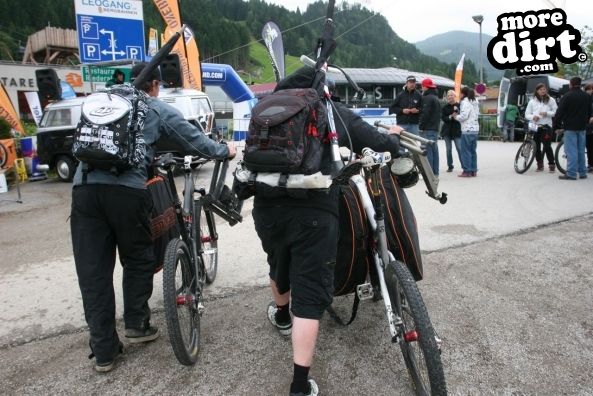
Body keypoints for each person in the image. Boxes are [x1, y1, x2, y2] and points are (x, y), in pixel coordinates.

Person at [70, 63, 236, 373]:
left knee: (93, 271)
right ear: (155, 84)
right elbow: (192, 139)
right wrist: (223, 150)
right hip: (127, 193)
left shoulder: (105, 100)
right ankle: (137, 324)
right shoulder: (152, 107)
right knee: (138, 258)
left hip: (84, 189)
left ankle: (104, 350)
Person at [254, 66, 402, 396]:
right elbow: (374, 140)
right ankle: (298, 385)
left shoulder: (268, 108)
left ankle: (280, 315)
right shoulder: (330, 108)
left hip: (266, 206)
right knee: (308, 295)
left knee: (278, 262)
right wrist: (393, 139)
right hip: (314, 209)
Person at [554, 76, 592, 180]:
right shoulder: (586, 96)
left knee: (571, 150)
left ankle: (571, 173)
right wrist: (586, 121)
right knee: (580, 150)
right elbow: (589, 111)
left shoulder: (567, 96)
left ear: (571, 84)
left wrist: (556, 125)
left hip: (570, 127)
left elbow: (559, 112)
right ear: (580, 84)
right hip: (582, 127)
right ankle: (583, 172)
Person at [525, 83, 558, 172]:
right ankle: (539, 164)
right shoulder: (532, 101)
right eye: (541, 89)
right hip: (534, 125)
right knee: (536, 146)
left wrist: (547, 113)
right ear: (537, 91)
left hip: (546, 125)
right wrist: (533, 117)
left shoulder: (551, 100)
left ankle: (551, 164)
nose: (543, 91)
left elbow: (555, 111)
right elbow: (527, 114)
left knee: (547, 145)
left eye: (544, 89)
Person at [454, 86, 479, 177]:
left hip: (467, 129)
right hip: (475, 129)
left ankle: (467, 170)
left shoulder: (465, 102)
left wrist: (456, 116)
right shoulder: (475, 102)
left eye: (460, 93)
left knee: (465, 151)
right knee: (473, 151)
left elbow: (464, 116)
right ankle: (473, 170)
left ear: (463, 94)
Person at [418, 78, 441, 176]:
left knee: (428, 151)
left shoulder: (427, 98)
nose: (421, 88)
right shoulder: (436, 98)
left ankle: (429, 173)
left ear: (425, 87)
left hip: (427, 128)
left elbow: (425, 114)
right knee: (435, 150)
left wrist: (421, 126)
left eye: (422, 86)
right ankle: (435, 172)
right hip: (435, 128)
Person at [441, 90, 463, 172]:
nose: (450, 97)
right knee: (448, 149)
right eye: (448, 95)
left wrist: (456, 116)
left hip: (456, 130)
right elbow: (443, 118)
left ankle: (464, 165)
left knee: (459, 148)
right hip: (447, 131)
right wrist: (450, 116)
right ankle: (450, 166)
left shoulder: (459, 105)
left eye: (451, 95)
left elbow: (462, 116)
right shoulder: (444, 107)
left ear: (455, 96)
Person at [584, 83, 593, 173]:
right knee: (589, 146)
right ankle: (590, 164)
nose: (589, 92)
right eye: (588, 90)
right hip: (587, 125)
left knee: (590, 146)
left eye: (590, 90)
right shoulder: (585, 98)